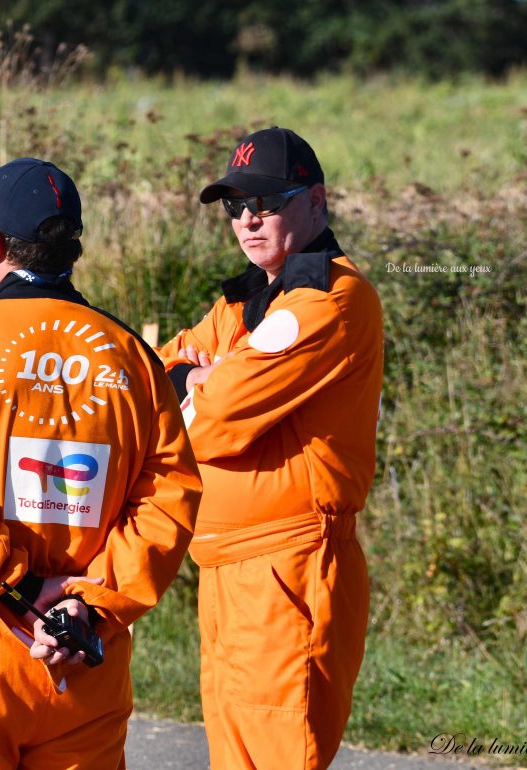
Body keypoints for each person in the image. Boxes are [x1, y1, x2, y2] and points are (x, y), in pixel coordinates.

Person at [0, 157, 201, 770]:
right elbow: (171, 497)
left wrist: (19, 588)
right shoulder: (135, 359)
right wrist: (93, 605)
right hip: (82, 660)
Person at [156, 127, 383, 770]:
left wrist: (206, 381)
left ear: (315, 200)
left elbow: (220, 413)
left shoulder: (327, 298)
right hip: (228, 571)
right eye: (234, 207)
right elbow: (152, 381)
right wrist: (192, 377)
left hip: (290, 567)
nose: (248, 221)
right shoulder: (251, 302)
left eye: (267, 202)